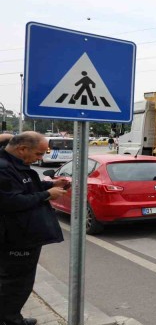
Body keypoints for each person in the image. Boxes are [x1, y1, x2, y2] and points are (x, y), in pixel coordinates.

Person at [0, 132, 69, 325]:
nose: (41, 158)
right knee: (14, 283)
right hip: (14, 237)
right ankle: (9, 320)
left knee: (21, 282)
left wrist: (51, 183)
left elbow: (26, 186)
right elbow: (10, 201)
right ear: (22, 149)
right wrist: (47, 194)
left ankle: (12, 316)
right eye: (39, 154)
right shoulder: (3, 169)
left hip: (24, 234)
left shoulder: (16, 165)